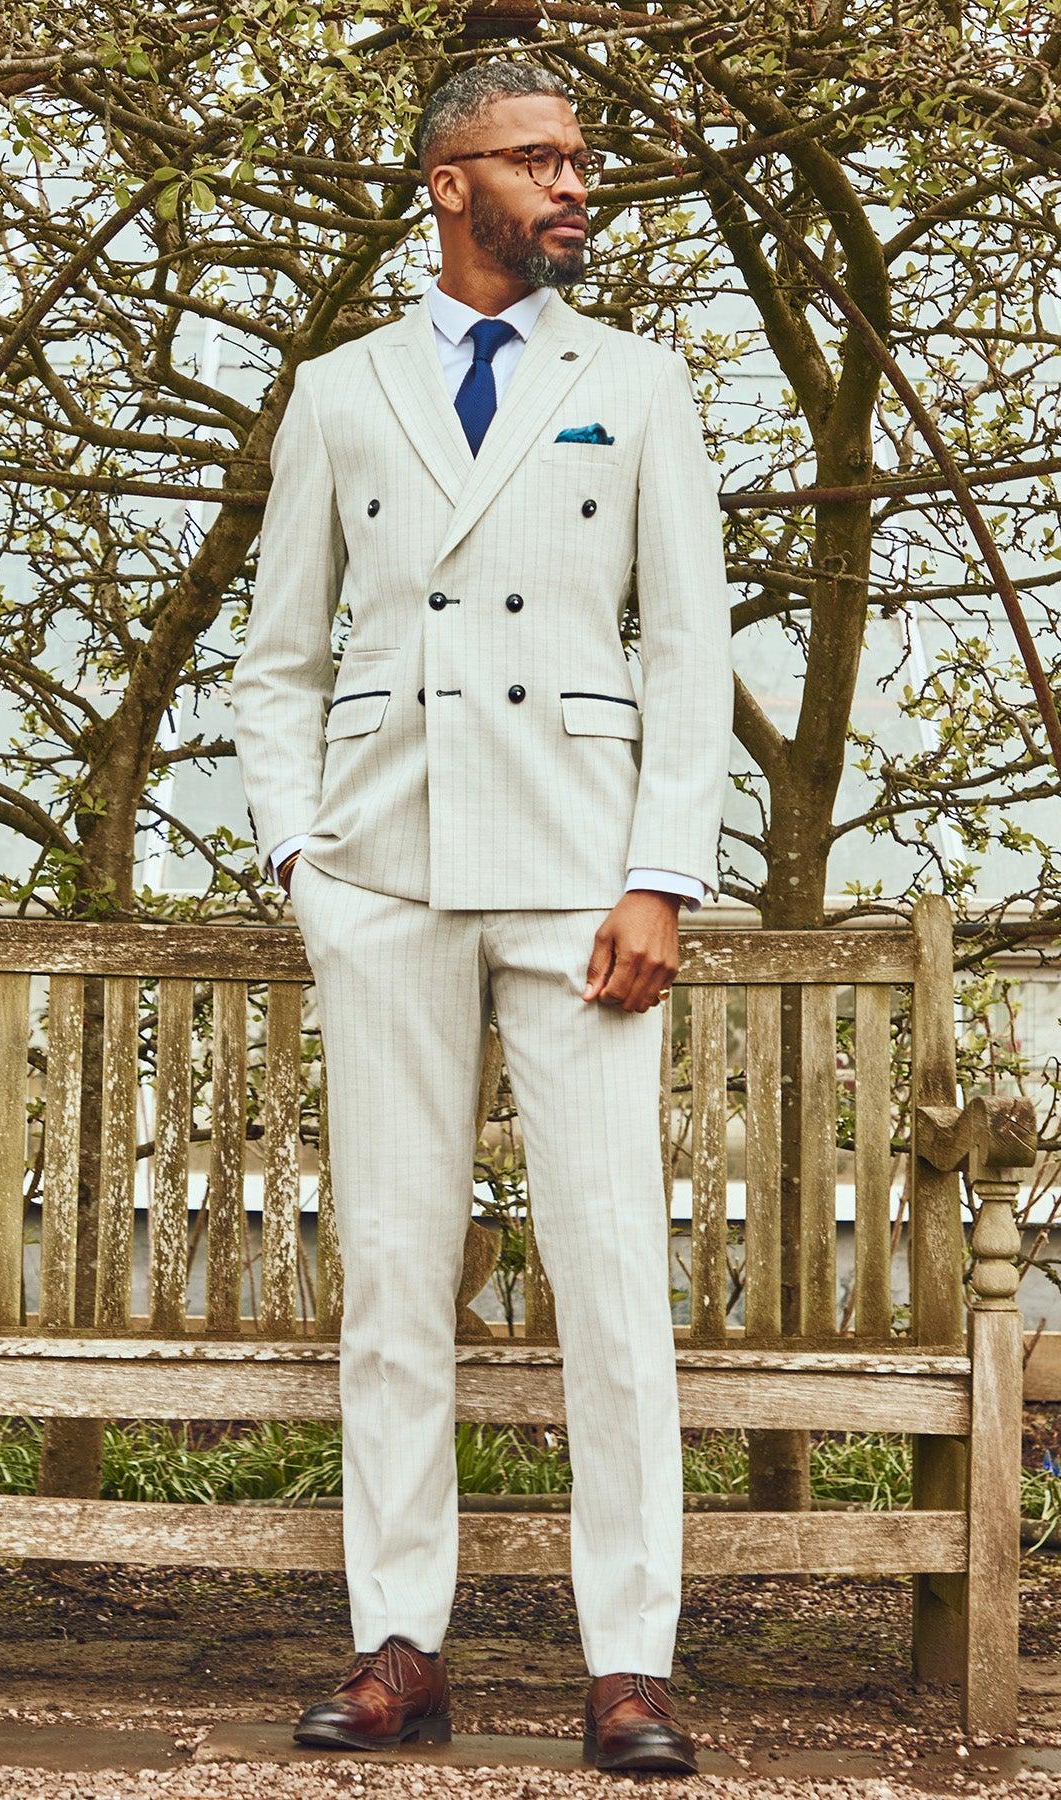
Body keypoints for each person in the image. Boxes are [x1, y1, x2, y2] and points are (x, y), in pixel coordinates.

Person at [231, 57, 734, 1779]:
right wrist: (299, 859)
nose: (575, 183)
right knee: (391, 1272)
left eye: (581, 157)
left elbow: (691, 650)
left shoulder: (639, 384)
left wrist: (663, 873)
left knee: (610, 1279)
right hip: (383, 876)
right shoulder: (338, 391)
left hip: (584, 880)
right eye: (538, 159)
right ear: (451, 184)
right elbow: (278, 659)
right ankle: (401, 1647)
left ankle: (630, 1665)